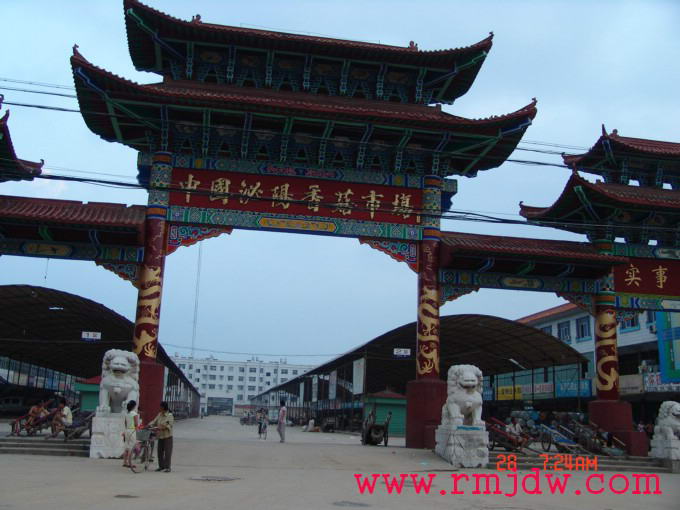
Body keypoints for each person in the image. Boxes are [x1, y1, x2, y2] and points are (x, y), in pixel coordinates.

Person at [148, 401, 174, 472]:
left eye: (161, 407)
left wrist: (163, 427)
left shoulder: (169, 415)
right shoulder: (159, 414)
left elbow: (170, 425)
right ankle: (161, 466)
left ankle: (168, 467)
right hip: (160, 436)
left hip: (167, 437)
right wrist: (149, 425)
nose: (160, 408)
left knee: (167, 453)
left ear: (164, 407)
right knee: (159, 452)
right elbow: (154, 421)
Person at [122, 400, 139, 468]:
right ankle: (130, 463)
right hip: (132, 431)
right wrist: (137, 430)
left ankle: (125, 462)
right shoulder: (134, 414)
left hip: (127, 430)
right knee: (131, 447)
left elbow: (125, 423)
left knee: (126, 447)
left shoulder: (127, 414)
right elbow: (136, 424)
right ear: (134, 406)